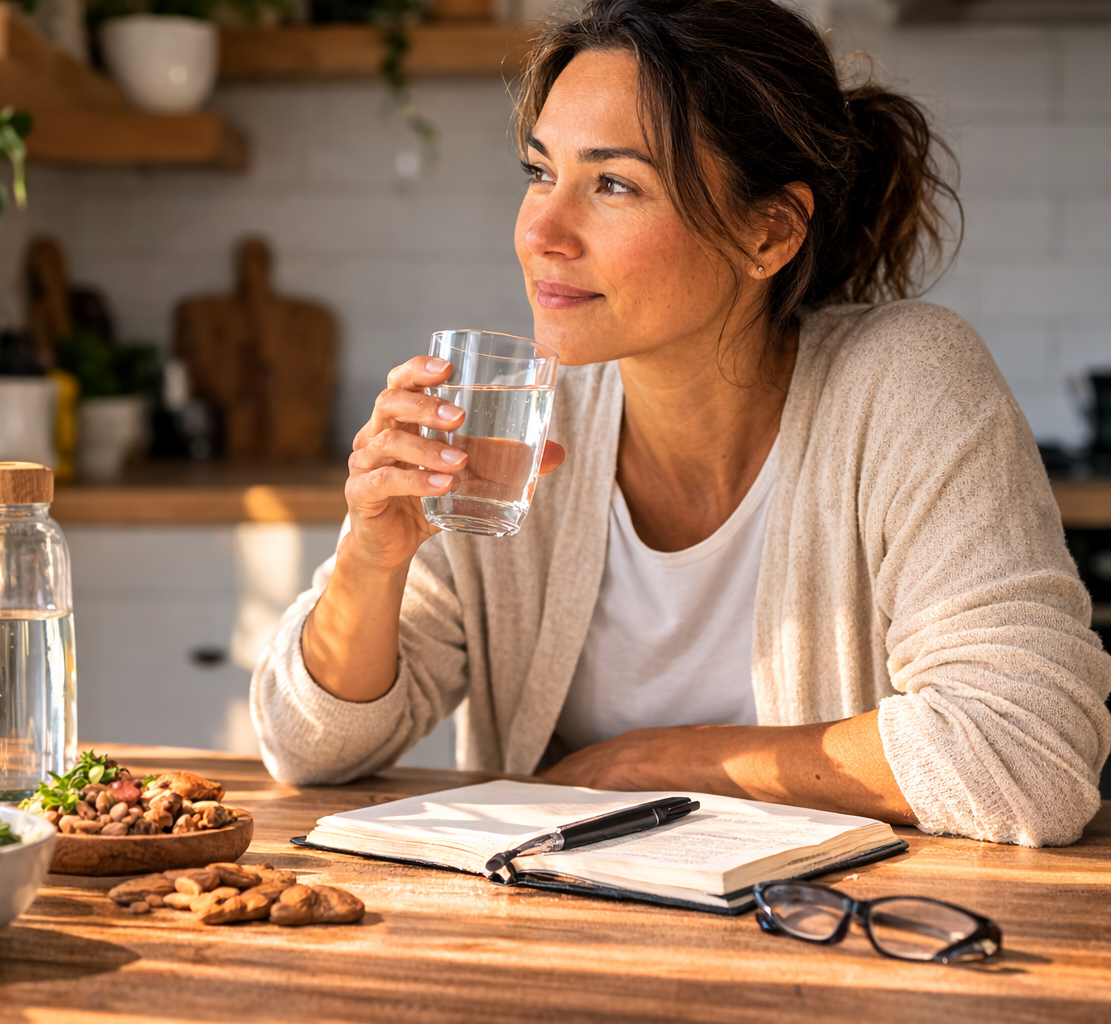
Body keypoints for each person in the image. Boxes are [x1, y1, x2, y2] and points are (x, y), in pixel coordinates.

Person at [250, 0, 1111, 847]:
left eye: (614, 184)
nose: (541, 231)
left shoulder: (904, 381)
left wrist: (654, 761)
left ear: (768, 233)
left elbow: (1030, 751)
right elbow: (309, 748)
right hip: (554, 941)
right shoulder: (512, 428)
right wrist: (372, 557)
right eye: (540, 172)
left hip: (837, 945)